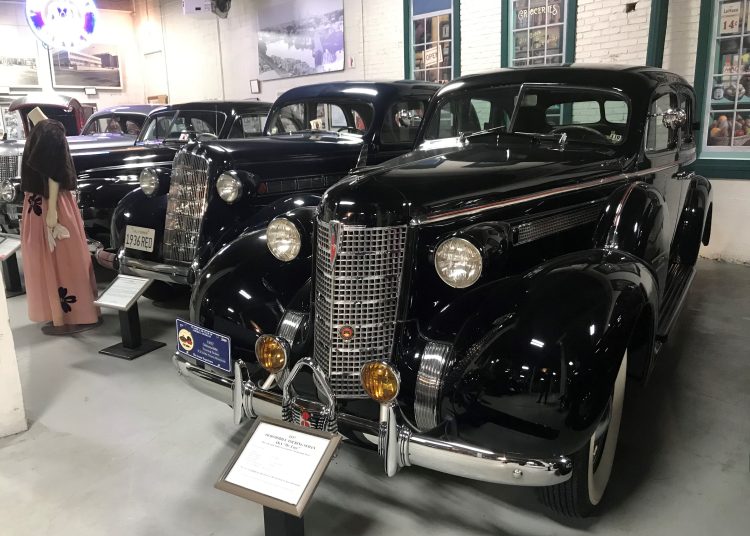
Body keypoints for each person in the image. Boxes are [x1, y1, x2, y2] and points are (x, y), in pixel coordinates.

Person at [20, 107, 100, 333]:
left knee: (64, 258)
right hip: (40, 203)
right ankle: (61, 312)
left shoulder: (50, 130)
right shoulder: (42, 129)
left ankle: (73, 313)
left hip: (47, 202)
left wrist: (53, 210)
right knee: (52, 257)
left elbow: (54, 173)